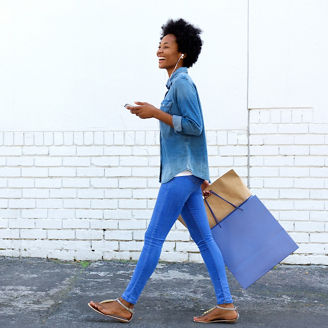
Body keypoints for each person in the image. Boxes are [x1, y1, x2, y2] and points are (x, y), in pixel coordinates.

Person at [88, 18, 239, 324]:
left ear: (181, 53)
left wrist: (156, 113)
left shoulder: (182, 82)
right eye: (159, 45)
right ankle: (226, 305)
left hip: (180, 175)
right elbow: (192, 132)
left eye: (166, 46)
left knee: (154, 237)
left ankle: (126, 303)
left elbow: (196, 127)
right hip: (188, 173)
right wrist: (201, 171)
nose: (159, 50)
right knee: (205, 240)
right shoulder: (176, 83)